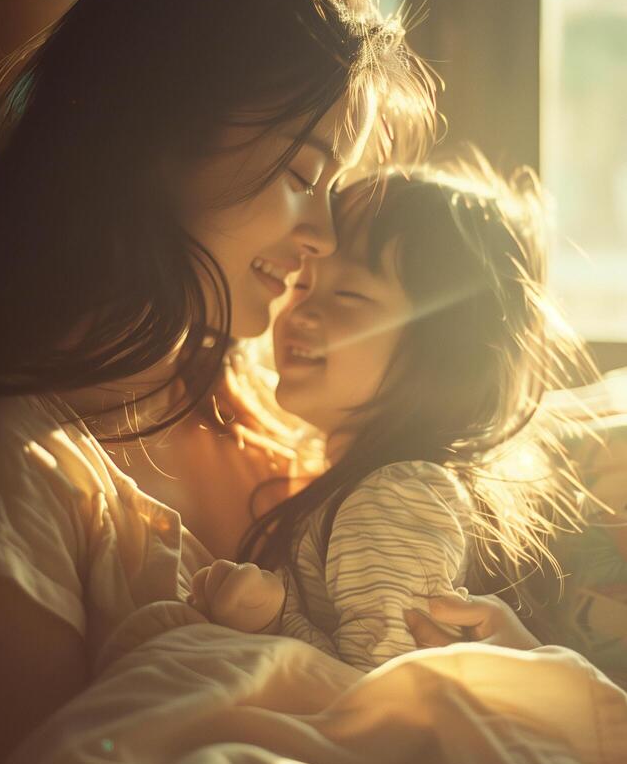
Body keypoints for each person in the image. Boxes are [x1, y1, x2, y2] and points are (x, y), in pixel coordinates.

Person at [0, 0, 437, 764]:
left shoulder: (302, 429)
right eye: (304, 175)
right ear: (156, 128)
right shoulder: (9, 467)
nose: (325, 240)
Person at [190, 155, 593, 671]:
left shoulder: (396, 495)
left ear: (447, 350)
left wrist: (271, 618)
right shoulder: (374, 483)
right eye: (303, 285)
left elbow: (383, 689)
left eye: (350, 293)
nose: (302, 311)